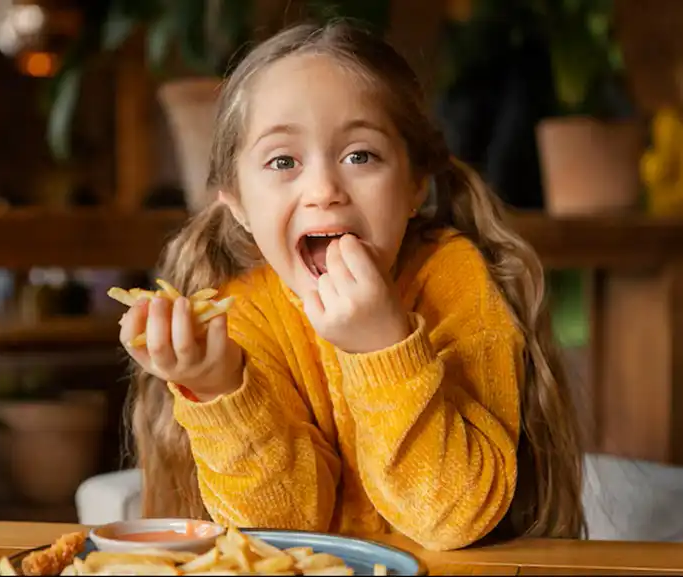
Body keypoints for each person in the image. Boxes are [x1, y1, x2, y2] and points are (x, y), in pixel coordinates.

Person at [119, 21, 584, 551]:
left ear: (415, 186)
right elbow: (281, 533)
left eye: (360, 155)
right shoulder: (241, 315)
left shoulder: (453, 279)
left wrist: (383, 348)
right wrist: (219, 388)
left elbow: (456, 518)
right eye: (283, 161)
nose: (324, 190)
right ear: (239, 205)